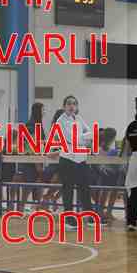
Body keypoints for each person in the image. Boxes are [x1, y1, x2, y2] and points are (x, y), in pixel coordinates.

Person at [56, 95, 95, 230]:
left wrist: (81, 139)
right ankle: (68, 220)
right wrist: (83, 139)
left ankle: (90, 217)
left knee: (85, 189)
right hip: (67, 159)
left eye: (74, 103)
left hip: (81, 159)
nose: (71, 106)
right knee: (68, 190)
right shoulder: (60, 121)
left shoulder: (78, 118)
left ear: (76, 106)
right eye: (69, 103)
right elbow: (72, 139)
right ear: (64, 106)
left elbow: (91, 133)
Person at [19, 102, 45, 212]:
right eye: (43, 110)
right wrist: (37, 162)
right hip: (31, 160)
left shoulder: (37, 125)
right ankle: (21, 208)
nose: (44, 112)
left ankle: (38, 207)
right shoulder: (31, 126)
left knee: (38, 183)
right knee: (28, 185)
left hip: (37, 158)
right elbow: (31, 146)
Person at [123, 95, 137, 232]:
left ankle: (131, 222)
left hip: (135, 160)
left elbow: (127, 147)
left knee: (135, 192)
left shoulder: (131, 126)